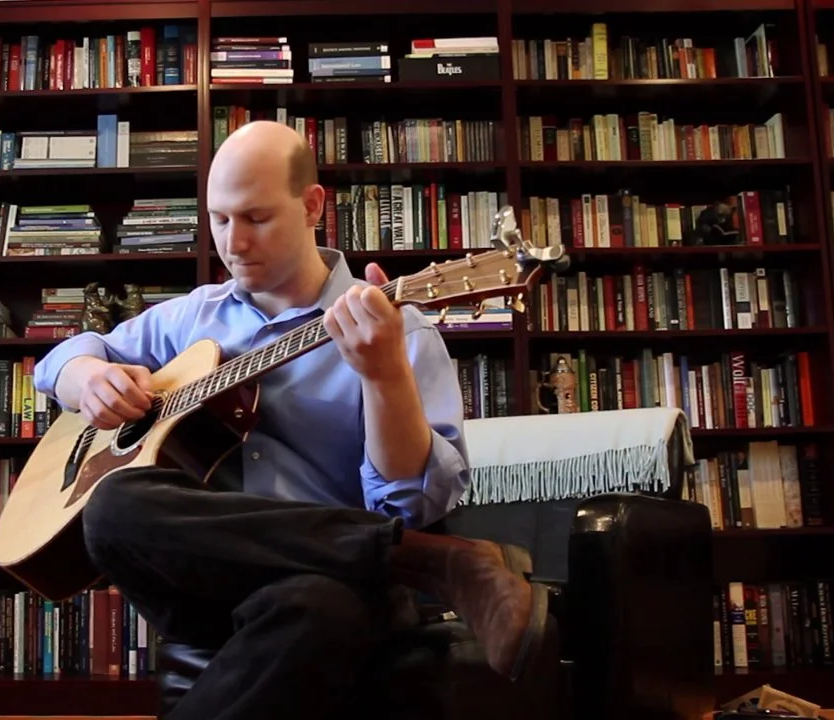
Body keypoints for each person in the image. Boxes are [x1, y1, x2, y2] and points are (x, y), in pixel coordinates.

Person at [32, 120, 547, 719]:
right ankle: (430, 558)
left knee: (320, 609)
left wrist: (383, 376)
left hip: (339, 588)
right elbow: (58, 361)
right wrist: (87, 377)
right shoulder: (192, 318)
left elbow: (411, 507)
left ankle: (406, 558)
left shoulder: (396, 330)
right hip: (212, 586)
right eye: (219, 220)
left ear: (312, 206)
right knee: (112, 506)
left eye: (256, 218)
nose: (234, 243)